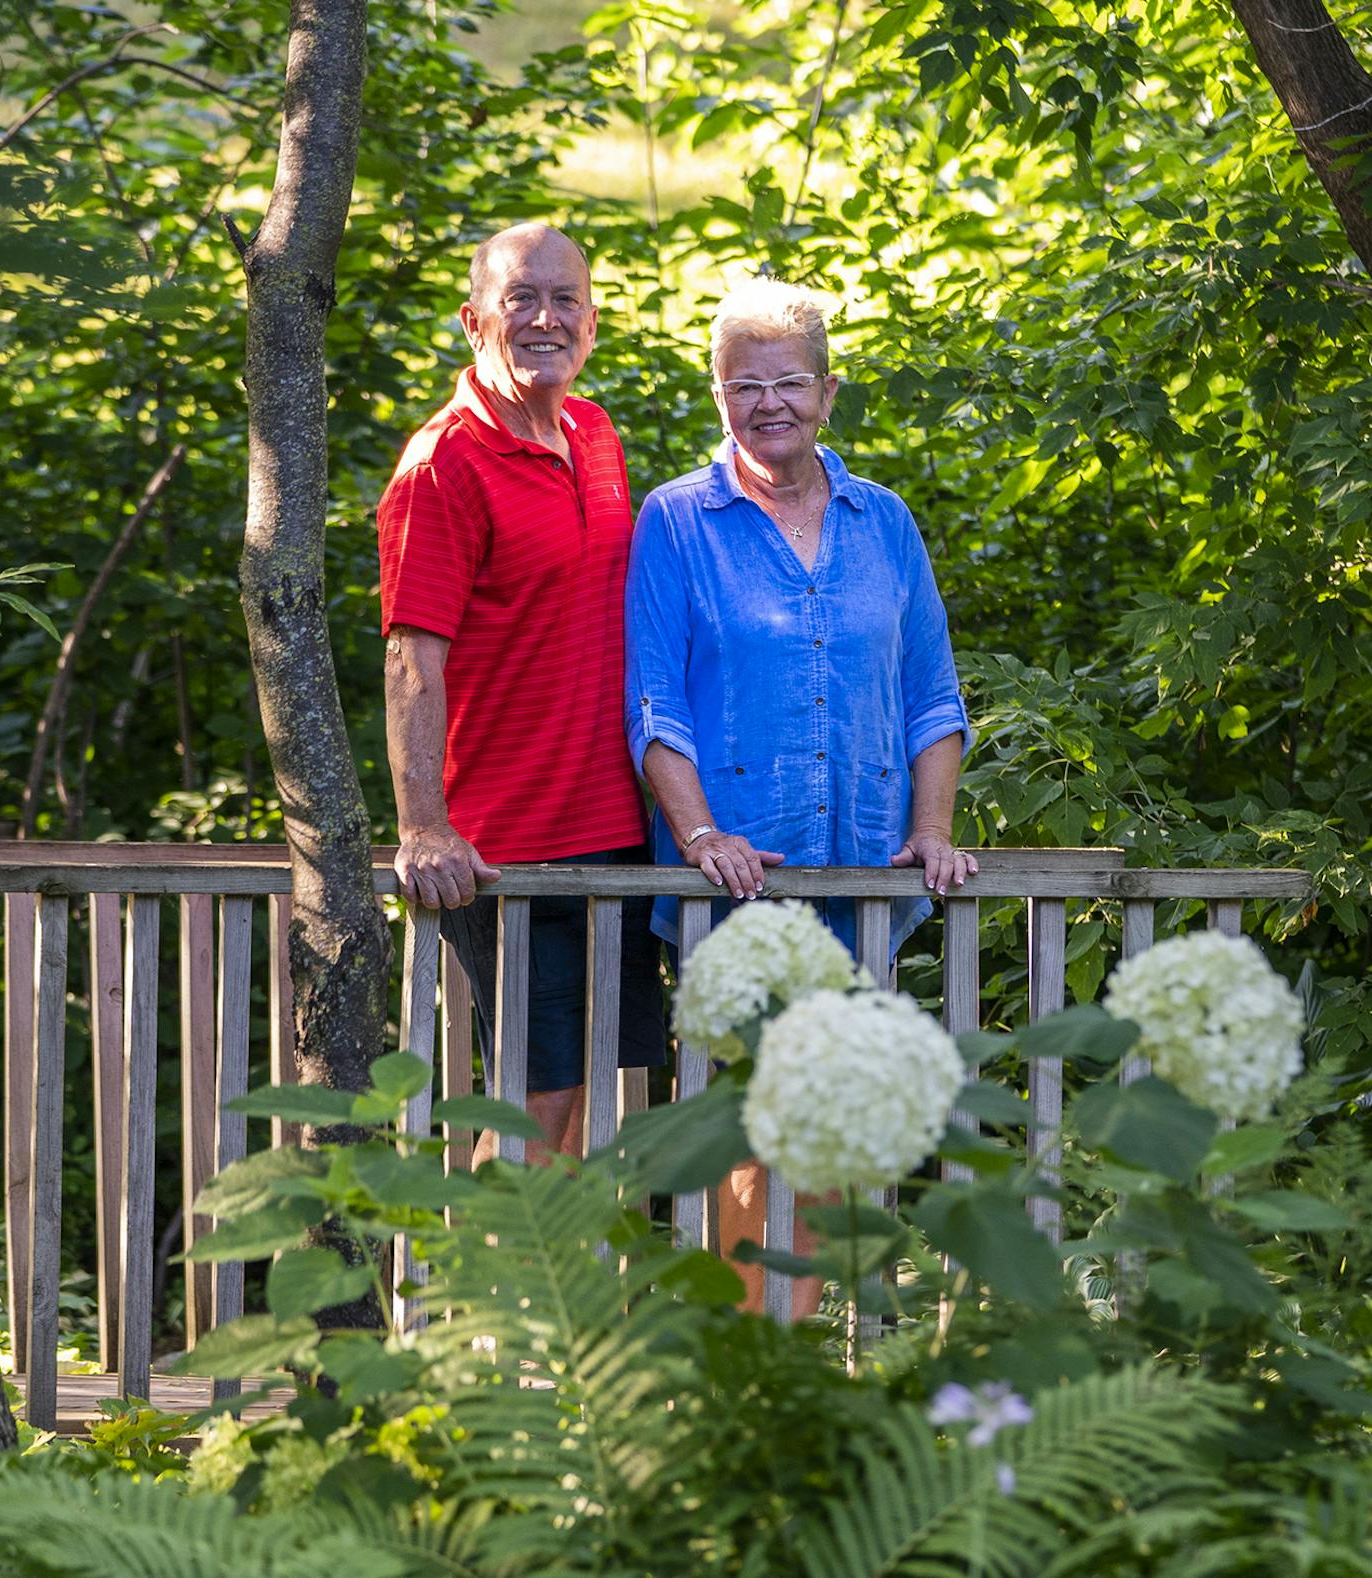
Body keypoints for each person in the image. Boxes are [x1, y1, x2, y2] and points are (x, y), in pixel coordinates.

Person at [624, 278, 976, 1312]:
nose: (767, 403)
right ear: (719, 396)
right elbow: (655, 701)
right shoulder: (679, 519)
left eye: (788, 383)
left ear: (828, 393)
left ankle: (803, 1343)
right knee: (752, 1113)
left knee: (838, 1112)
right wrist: (699, 832)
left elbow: (933, 694)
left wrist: (934, 829)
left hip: (862, 870)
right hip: (740, 883)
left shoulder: (884, 522)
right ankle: (756, 1339)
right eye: (744, 386)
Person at [378, 222, 665, 1164]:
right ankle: (487, 1308)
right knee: (532, 1110)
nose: (545, 317)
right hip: (509, 849)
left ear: (592, 324)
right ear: (475, 321)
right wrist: (423, 828)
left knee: (593, 1096)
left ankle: (559, 1309)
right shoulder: (442, 465)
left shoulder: (594, 434)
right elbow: (413, 657)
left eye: (565, 300)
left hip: (618, 834)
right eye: (520, 299)